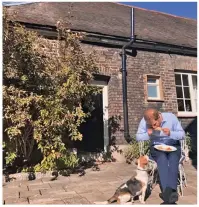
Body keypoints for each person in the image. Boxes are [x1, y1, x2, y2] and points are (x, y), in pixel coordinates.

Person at [136, 108, 185, 204]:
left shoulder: (171, 117)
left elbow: (182, 134)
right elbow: (138, 136)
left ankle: (168, 193)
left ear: (159, 116)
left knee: (173, 160)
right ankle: (170, 195)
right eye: (150, 125)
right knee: (162, 160)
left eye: (154, 124)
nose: (153, 126)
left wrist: (170, 133)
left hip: (173, 145)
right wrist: (148, 133)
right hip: (156, 147)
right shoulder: (145, 120)